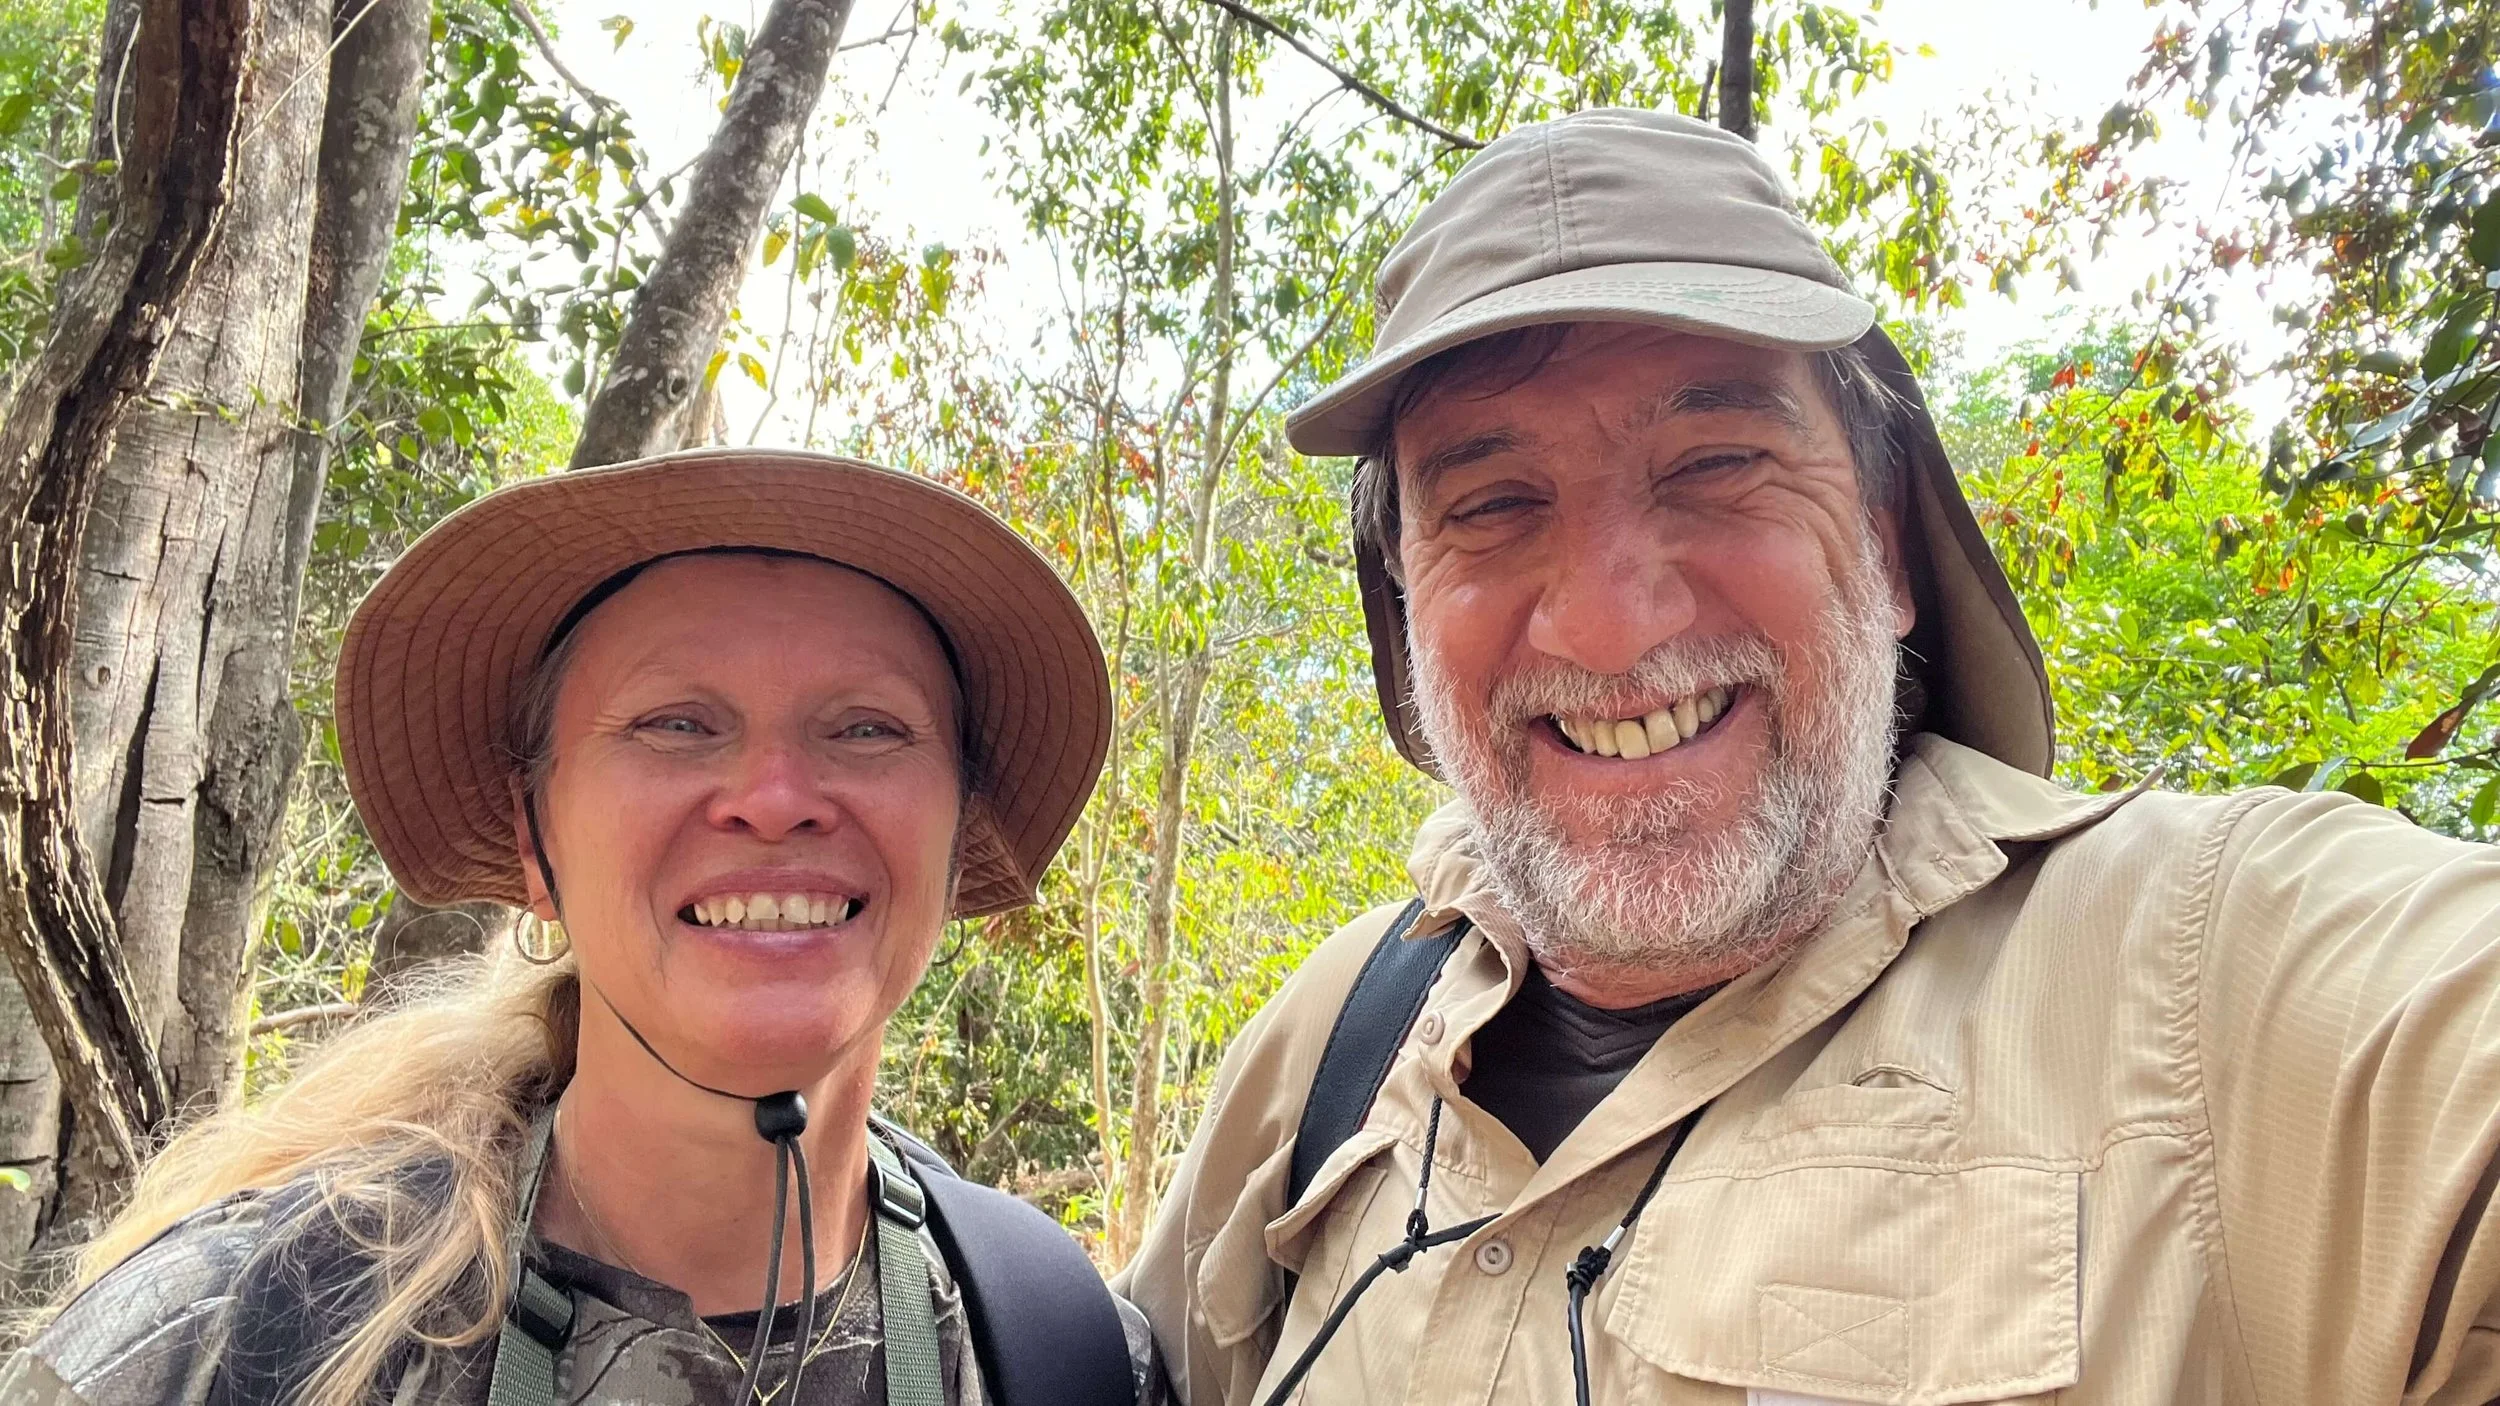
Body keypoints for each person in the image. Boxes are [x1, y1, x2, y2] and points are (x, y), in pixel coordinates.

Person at [1120, 108, 2500, 1405]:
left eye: (1717, 463)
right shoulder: (1339, 1034)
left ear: (1890, 540)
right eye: (1491, 503)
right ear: (1406, 603)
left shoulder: (2210, 973)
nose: (1611, 621)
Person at [5, 449, 1165, 1406]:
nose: (773, 794)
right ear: (533, 836)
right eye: (676, 722)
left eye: (867, 728)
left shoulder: (1062, 1351)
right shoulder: (241, 1343)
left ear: (959, 831)